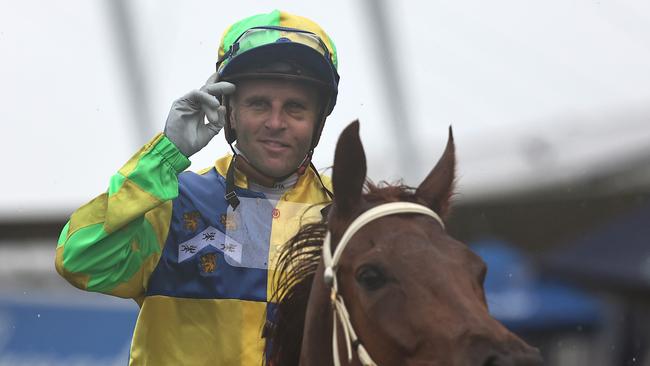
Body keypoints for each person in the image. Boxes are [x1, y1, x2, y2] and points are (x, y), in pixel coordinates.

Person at [55, 9, 339, 365]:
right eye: (258, 104)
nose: (276, 122)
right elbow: (79, 259)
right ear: (229, 111)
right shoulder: (172, 198)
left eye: (295, 108)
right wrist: (165, 155)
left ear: (319, 120)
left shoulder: (347, 217)